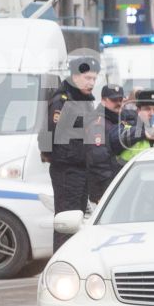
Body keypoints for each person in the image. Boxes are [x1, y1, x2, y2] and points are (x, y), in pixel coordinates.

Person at [39, 59, 101, 243]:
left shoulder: (84, 100)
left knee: (77, 222)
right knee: (66, 222)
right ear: (74, 77)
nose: (91, 83)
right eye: (87, 78)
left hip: (81, 168)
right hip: (67, 170)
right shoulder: (62, 100)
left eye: (94, 79)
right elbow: (47, 134)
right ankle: (61, 266)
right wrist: (58, 158)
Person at [87, 84, 128, 201]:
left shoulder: (118, 119)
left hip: (117, 184)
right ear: (104, 101)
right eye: (114, 100)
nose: (118, 103)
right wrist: (106, 190)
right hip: (105, 188)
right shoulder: (98, 123)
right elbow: (98, 161)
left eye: (120, 99)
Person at [119, 89, 154, 162]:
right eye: (147, 109)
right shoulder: (127, 127)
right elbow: (115, 138)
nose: (152, 113)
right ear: (138, 110)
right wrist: (143, 133)